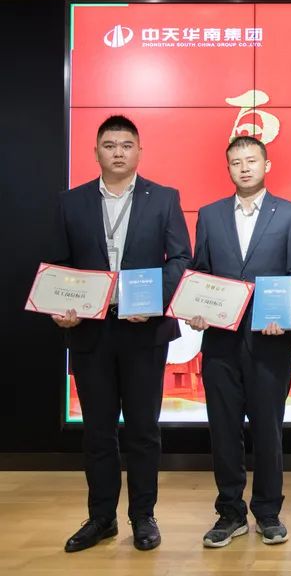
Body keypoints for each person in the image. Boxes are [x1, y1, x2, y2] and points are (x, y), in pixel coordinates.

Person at [49, 115, 191, 552]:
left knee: (144, 430)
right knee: (98, 431)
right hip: (90, 332)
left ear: (139, 152)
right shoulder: (70, 202)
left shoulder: (164, 198)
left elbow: (180, 259)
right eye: (109, 145)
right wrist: (60, 307)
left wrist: (153, 302)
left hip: (143, 332)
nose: (118, 152)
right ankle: (101, 518)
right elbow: (59, 264)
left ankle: (143, 516)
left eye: (126, 145)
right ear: (96, 152)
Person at [186, 136, 291, 548]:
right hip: (220, 342)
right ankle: (230, 512)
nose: (244, 167)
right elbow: (200, 272)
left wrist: (283, 315)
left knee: (268, 430)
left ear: (266, 165)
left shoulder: (290, 214)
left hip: (270, 342)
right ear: (228, 169)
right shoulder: (210, 215)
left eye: (251, 160)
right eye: (236, 162)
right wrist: (196, 309)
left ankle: (268, 512)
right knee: (223, 430)